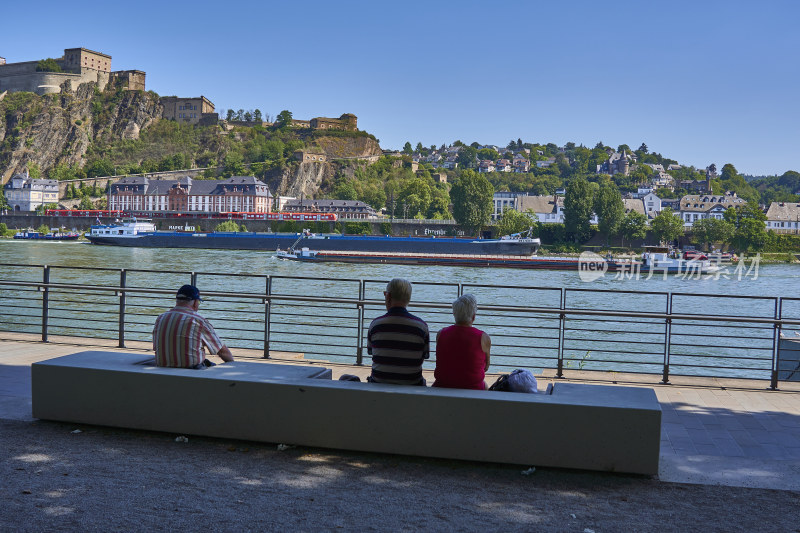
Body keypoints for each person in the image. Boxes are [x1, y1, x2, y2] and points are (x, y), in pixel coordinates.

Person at [153, 284, 234, 368]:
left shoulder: (161, 318)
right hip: (192, 373)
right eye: (198, 302)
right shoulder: (199, 321)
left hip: (162, 369)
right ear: (195, 302)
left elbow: (155, 348)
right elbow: (222, 352)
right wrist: (233, 365)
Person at [367, 278, 430, 385]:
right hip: (412, 385)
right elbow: (423, 356)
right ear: (408, 298)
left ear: (388, 296)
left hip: (379, 384)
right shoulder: (421, 327)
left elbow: (371, 352)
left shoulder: (375, 325)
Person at [433, 294, 491, 390]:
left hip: (442, 387)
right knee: (485, 386)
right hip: (473, 389)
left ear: (454, 314)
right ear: (473, 317)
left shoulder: (441, 334)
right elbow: (486, 366)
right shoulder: (483, 338)